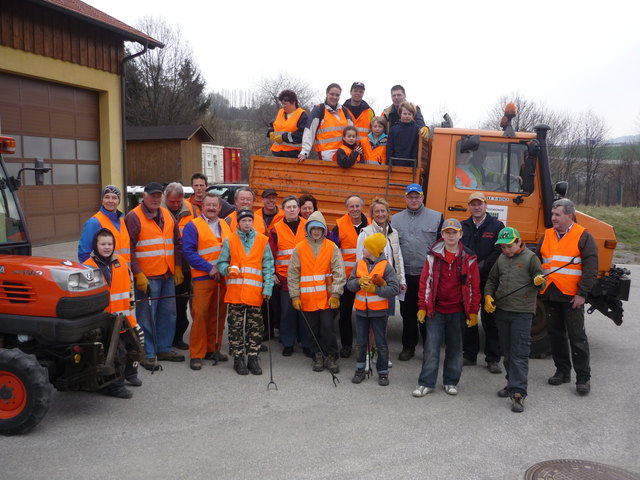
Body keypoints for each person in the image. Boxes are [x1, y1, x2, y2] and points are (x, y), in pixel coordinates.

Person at [412, 218, 481, 398]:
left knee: (455, 348)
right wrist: (422, 306)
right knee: (431, 348)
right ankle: (426, 383)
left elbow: (474, 286)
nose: (451, 235)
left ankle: (451, 381)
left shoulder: (469, 257)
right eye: (447, 232)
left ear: (461, 234)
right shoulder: (432, 255)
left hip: (458, 311)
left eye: (454, 232)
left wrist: (473, 311)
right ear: (442, 234)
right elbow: (425, 282)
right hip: (436, 311)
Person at [537, 198, 598, 396]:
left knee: (577, 337)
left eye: (557, 215)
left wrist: (582, 293)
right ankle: (562, 372)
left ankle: (583, 378)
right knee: (555, 336)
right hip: (550, 294)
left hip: (572, 296)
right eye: (552, 214)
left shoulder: (583, 236)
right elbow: (538, 261)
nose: (553, 218)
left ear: (569, 216)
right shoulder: (546, 235)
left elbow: (591, 267)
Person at [484, 227, 546, 413]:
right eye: (502, 247)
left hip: (522, 313)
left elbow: (541, 281)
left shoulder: (531, 258)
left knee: (519, 354)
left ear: (519, 242)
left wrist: (539, 281)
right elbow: (492, 280)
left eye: (509, 246)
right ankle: (511, 383)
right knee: (507, 352)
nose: (506, 250)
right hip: (502, 311)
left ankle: (518, 393)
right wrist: (488, 295)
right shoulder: (501, 259)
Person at [125, 182, 185, 370]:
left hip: (167, 273)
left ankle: (164, 348)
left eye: (159, 196)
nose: (156, 199)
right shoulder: (134, 217)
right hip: (148, 275)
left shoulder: (166, 214)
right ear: (144, 196)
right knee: (147, 316)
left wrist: (177, 267)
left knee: (168, 313)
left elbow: (177, 243)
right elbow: (129, 249)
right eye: (152, 196)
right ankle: (148, 353)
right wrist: (138, 274)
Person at [84, 228, 144, 398]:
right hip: (105, 322)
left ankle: (131, 375)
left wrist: (132, 315)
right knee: (117, 353)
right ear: (96, 245)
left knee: (134, 346)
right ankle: (116, 386)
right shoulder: (88, 267)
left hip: (125, 318)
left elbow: (130, 290)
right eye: (103, 244)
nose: (107, 247)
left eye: (110, 244)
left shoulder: (122, 262)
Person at [217, 209, 274, 376]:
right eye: (244, 221)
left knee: (255, 327)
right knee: (235, 327)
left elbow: (268, 266)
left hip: (255, 293)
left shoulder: (263, 240)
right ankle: (238, 358)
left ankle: (253, 357)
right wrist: (227, 269)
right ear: (238, 223)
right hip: (235, 293)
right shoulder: (230, 240)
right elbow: (221, 263)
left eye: (250, 220)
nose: (247, 223)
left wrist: (268, 287)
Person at [288, 211, 346, 373]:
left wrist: (336, 294)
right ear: (308, 229)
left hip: (327, 299)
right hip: (307, 299)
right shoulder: (299, 248)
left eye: (319, 229)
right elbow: (293, 273)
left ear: (323, 230)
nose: (316, 231)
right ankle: (317, 355)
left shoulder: (331, 247)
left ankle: (332, 356)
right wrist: (295, 296)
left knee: (327, 327)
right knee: (311, 329)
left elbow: (339, 272)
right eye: (313, 228)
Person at [391, 183, 443, 361]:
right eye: (410, 197)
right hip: (405, 276)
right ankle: (408, 347)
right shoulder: (395, 220)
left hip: (427, 276)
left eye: (417, 196)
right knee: (407, 313)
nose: (413, 200)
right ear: (405, 198)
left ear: (422, 198)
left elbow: (442, 246)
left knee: (428, 313)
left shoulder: (436, 217)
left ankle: (429, 349)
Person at [182, 192, 232, 370]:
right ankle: (197, 354)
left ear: (220, 207)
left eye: (214, 205)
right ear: (202, 207)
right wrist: (209, 268)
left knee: (218, 315)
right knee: (200, 316)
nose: (211, 208)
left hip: (222, 278)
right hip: (203, 277)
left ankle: (213, 348)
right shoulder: (192, 226)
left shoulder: (225, 225)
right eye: (208, 205)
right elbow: (188, 252)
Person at [347, 233, 399, 386]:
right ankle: (360, 369)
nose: (363, 249)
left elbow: (394, 289)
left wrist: (375, 289)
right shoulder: (359, 264)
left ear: (374, 250)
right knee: (361, 342)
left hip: (379, 312)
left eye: (366, 247)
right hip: (361, 311)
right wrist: (357, 282)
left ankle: (383, 372)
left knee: (381, 343)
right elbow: (350, 285)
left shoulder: (386, 267)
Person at [461, 192, 505, 373]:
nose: (476, 207)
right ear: (469, 206)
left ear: (486, 206)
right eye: (473, 204)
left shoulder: (497, 226)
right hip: (469, 280)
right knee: (469, 317)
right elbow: (459, 248)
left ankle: (493, 358)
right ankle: (469, 355)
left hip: (489, 280)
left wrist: (483, 266)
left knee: (491, 319)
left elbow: (499, 249)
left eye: (480, 204)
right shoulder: (463, 226)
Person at [329, 195, 370, 358]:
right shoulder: (339, 226)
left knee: (366, 314)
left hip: (366, 279)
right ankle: (346, 345)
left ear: (362, 207)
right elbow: (332, 252)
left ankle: (365, 346)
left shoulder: (371, 224)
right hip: (346, 279)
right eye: (351, 206)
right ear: (347, 208)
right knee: (345, 314)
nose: (354, 209)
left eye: (357, 206)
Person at [269, 195, 308, 356]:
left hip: (307, 277)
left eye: (294, 207)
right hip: (284, 278)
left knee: (306, 312)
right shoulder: (275, 229)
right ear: (283, 210)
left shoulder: (309, 226)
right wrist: (271, 272)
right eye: (288, 207)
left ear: (299, 209)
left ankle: (306, 343)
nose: (292, 209)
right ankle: (288, 343)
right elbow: (270, 253)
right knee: (287, 312)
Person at [163, 182, 198, 351]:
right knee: (164, 307)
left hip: (185, 267)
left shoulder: (192, 210)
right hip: (163, 267)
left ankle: (177, 337)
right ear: (165, 198)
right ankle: (163, 339)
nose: (176, 205)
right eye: (172, 202)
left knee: (180, 305)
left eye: (179, 201)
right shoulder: (158, 211)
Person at [298, 83, 353, 162]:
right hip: (326, 157)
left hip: (344, 156)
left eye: (337, 95)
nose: (334, 97)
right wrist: (305, 152)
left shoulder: (344, 111)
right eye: (332, 94)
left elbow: (352, 132)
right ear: (327, 93)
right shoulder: (319, 110)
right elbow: (310, 131)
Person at [78, 185, 130, 265]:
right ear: (102, 200)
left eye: (114, 198)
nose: (110, 200)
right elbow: (84, 254)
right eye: (107, 197)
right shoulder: (94, 222)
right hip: (106, 273)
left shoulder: (121, 221)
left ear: (119, 201)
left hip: (124, 272)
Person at [268, 89, 308, 158]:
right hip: (276, 153)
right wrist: (270, 132)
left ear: (293, 102)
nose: (283, 106)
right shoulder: (280, 112)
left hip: (293, 155)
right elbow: (274, 125)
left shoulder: (302, 115)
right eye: (282, 104)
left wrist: (283, 137)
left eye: (285, 104)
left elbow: (302, 135)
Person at [386, 101, 421, 166]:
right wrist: (389, 164)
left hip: (411, 166)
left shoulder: (417, 130)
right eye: (405, 114)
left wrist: (415, 166)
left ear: (412, 115)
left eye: (409, 114)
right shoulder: (393, 129)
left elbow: (416, 149)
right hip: (394, 166)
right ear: (400, 114)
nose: (407, 116)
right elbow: (390, 148)